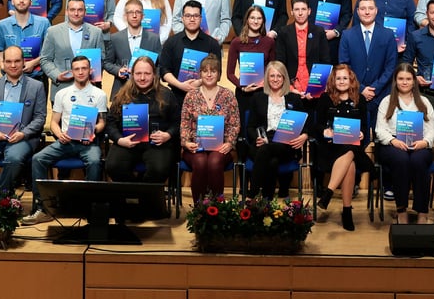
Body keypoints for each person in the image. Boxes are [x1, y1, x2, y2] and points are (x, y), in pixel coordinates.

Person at [24, 55, 108, 224]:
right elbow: (54, 123)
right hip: (65, 142)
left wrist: (92, 132)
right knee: (38, 159)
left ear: (90, 70)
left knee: (94, 161)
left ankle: (91, 208)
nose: (81, 72)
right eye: (77, 69)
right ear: (72, 72)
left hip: (88, 143)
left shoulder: (99, 94)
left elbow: (102, 123)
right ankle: (42, 208)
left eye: (84, 68)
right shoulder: (62, 93)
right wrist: (59, 134)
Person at [0, 45, 47, 197]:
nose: (13, 65)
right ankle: (5, 195)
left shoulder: (36, 86)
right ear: (3, 63)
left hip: (21, 138)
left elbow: (40, 117)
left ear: (23, 62)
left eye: (17, 61)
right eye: (9, 61)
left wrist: (23, 134)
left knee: (14, 159)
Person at [374, 64, 434, 223]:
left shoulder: (424, 102)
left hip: (419, 144)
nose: (404, 82)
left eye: (408, 79)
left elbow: (432, 130)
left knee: (418, 160)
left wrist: (425, 142)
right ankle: (401, 210)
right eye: (401, 78)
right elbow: (380, 130)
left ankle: (422, 212)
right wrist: (393, 140)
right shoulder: (386, 101)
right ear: (395, 81)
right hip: (392, 144)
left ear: (414, 81)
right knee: (401, 159)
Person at [313, 64, 371, 231]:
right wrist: (324, 131)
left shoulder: (360, 100)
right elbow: (316, 126)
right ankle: (346, 211)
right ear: (333, 80)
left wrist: (361, 133)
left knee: (350, 151)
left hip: (352, 147)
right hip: (330, 148)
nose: (342, 81)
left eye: (345, 78)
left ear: (351, 80)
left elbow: (364, 128)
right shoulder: (325, 98)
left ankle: (329, 193)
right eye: (338, 78)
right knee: (350, 162)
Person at [104, 56, 180, 183]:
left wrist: (168, 135)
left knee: (159, 169)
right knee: (113, 166)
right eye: (138, 73)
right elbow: (110, 123)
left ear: (154, 74)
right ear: (132, 74)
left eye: (147, 73)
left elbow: (177, 122)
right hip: (127, 142)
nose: (142, 78)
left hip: (156, 145)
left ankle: (144, 193)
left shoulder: (166, 94)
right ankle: (135, 191)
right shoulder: (122, 94)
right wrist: (119, 139)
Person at [179, 55, 240, 201]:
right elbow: (185, 123)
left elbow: (234, 124)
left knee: (214, 162)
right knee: (200, 162)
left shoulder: (228, 95)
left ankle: (216, 207)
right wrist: (186, 142)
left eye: (213, 71)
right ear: (200, 73)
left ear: (219, 74)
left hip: (221, 147)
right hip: (195, 146)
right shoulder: (191, 96)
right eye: (205, 71)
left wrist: (229, 143)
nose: (209, 74)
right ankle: (199, 208)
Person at [246, 61, 309, 198]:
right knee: (272, 160)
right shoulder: (258, 97)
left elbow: (306, 124)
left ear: (284, 78)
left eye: (279, 76)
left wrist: (304, 135)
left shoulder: (294, 98)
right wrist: (257, 138)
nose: (275, 79)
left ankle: (252, 193)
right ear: (267, 78)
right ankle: (267, 199)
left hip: (286, 143)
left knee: (266, 150)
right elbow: (250, 126)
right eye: (272, 76)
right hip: (264, 140)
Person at [339, 0, 398, 124]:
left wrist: (375, 88)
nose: (367, 12)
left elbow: (391, 66)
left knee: (380, 133)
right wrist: (361, 88)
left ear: (376, 10)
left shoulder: (388, 35)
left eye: (370, 8)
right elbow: (344, 66)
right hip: (354, 95)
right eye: (363, 8)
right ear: (357, 11)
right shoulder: (347, 35)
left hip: (381, 95)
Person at [159, 0, 223, 106]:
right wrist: (180, 85)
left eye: (196, 16)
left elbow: (218, 72)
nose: (192, 19)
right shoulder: (171, 42)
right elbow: (164, 70)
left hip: (205, 98)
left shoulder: (212, 44)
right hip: (176, 97)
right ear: (182, 18)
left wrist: (199, 82)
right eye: (188, 16)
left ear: (201, 18)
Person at [41, 0, 106, 99]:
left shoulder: (96, 32)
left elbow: (101, 59)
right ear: (67, 12)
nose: (76, 13)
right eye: (72, 10)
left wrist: (93, 74)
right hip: (61, 89)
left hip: (88, 91)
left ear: (85, 12)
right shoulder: (53, 32)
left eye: (80, 10)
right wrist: (57, 75)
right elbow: (45, 59)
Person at [0, 0, 51, 98]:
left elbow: (49, 52)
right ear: (12, 1)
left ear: (30, 2)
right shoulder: (2, 25)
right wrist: (3, 66)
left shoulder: (44, 23)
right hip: (10, 79)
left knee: (38, 109)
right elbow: (0, 50)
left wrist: (33, 63)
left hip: (37, 78)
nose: (21, 0)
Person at [104, 0, 163, 100]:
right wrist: (118, 70)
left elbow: (160, 65)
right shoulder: (115, 38)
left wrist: (152, 78)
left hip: (148, 92)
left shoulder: (154, 39)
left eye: (138, 12)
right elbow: (106, 62)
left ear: (143, 16)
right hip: (122, 90)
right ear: (125, 16)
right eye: (130, 12)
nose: (134, 15)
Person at [226, 5, 276, 120]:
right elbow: (230, 74)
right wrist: (242, 87)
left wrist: (266, 83)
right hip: (244, 92)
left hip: (264, 91)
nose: (255, 21)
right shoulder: (236, 42)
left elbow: (273, 68)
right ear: (247, 20)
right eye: (252, 18)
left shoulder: (269, 42)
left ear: (263, 21)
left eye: (259, 18)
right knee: (244, 125)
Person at [275, 0, 331, 96]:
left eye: (303, 9)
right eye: (297, 9)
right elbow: (280, 63)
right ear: (292, 12)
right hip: (290, 87)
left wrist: (317, 88)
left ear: (309, 11)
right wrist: (289, 88)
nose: (300, 13)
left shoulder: (319, 32)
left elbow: (325, 61)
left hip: (315, 86)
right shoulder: (284, 32)